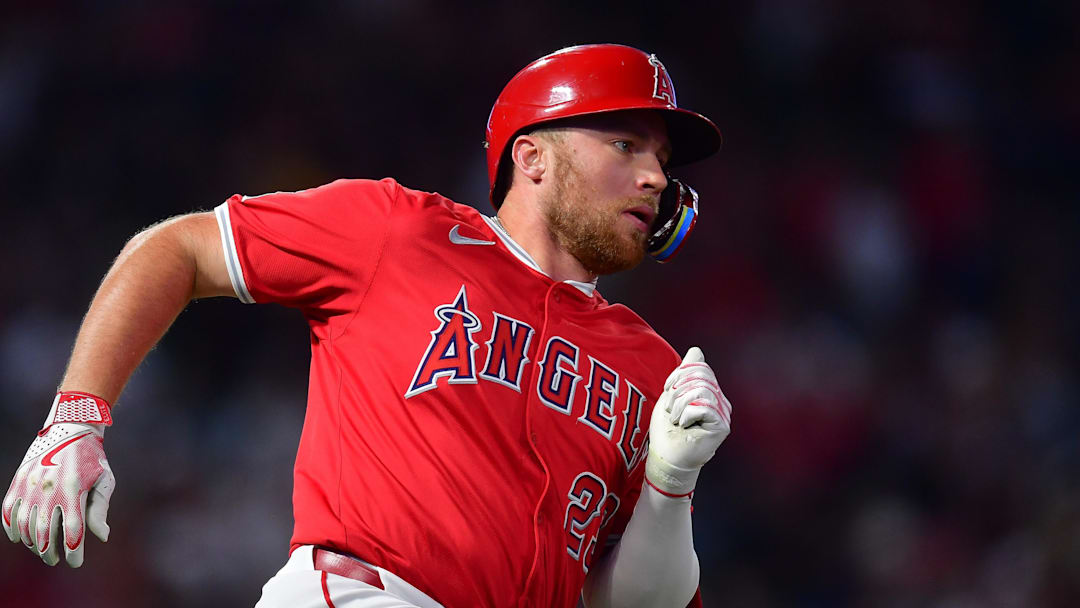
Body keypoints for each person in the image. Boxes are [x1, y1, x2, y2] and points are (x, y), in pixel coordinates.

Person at [2, 44, 732, 608]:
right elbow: (181, 247)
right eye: (625, 145)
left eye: (663, 161)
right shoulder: (400, 232)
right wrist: (77, 416)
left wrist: (672, 480)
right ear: (532, 156)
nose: (656, 179)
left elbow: (627, 599)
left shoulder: (653, 368)